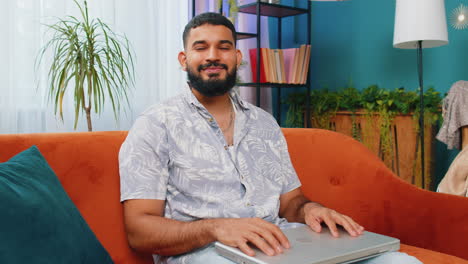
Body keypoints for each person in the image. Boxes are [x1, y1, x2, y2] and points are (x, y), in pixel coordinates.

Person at [119, 12, 421, 264]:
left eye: (223, 47)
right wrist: (216, 228)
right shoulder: (155, 124)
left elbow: (291, 202)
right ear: (184, 59)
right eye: (201, 47)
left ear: (237, 57)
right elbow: (139, 230)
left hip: (280, 243)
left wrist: (310, 210)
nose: (213, 56)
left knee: (400, 261)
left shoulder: (265, 122)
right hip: (206, 253)